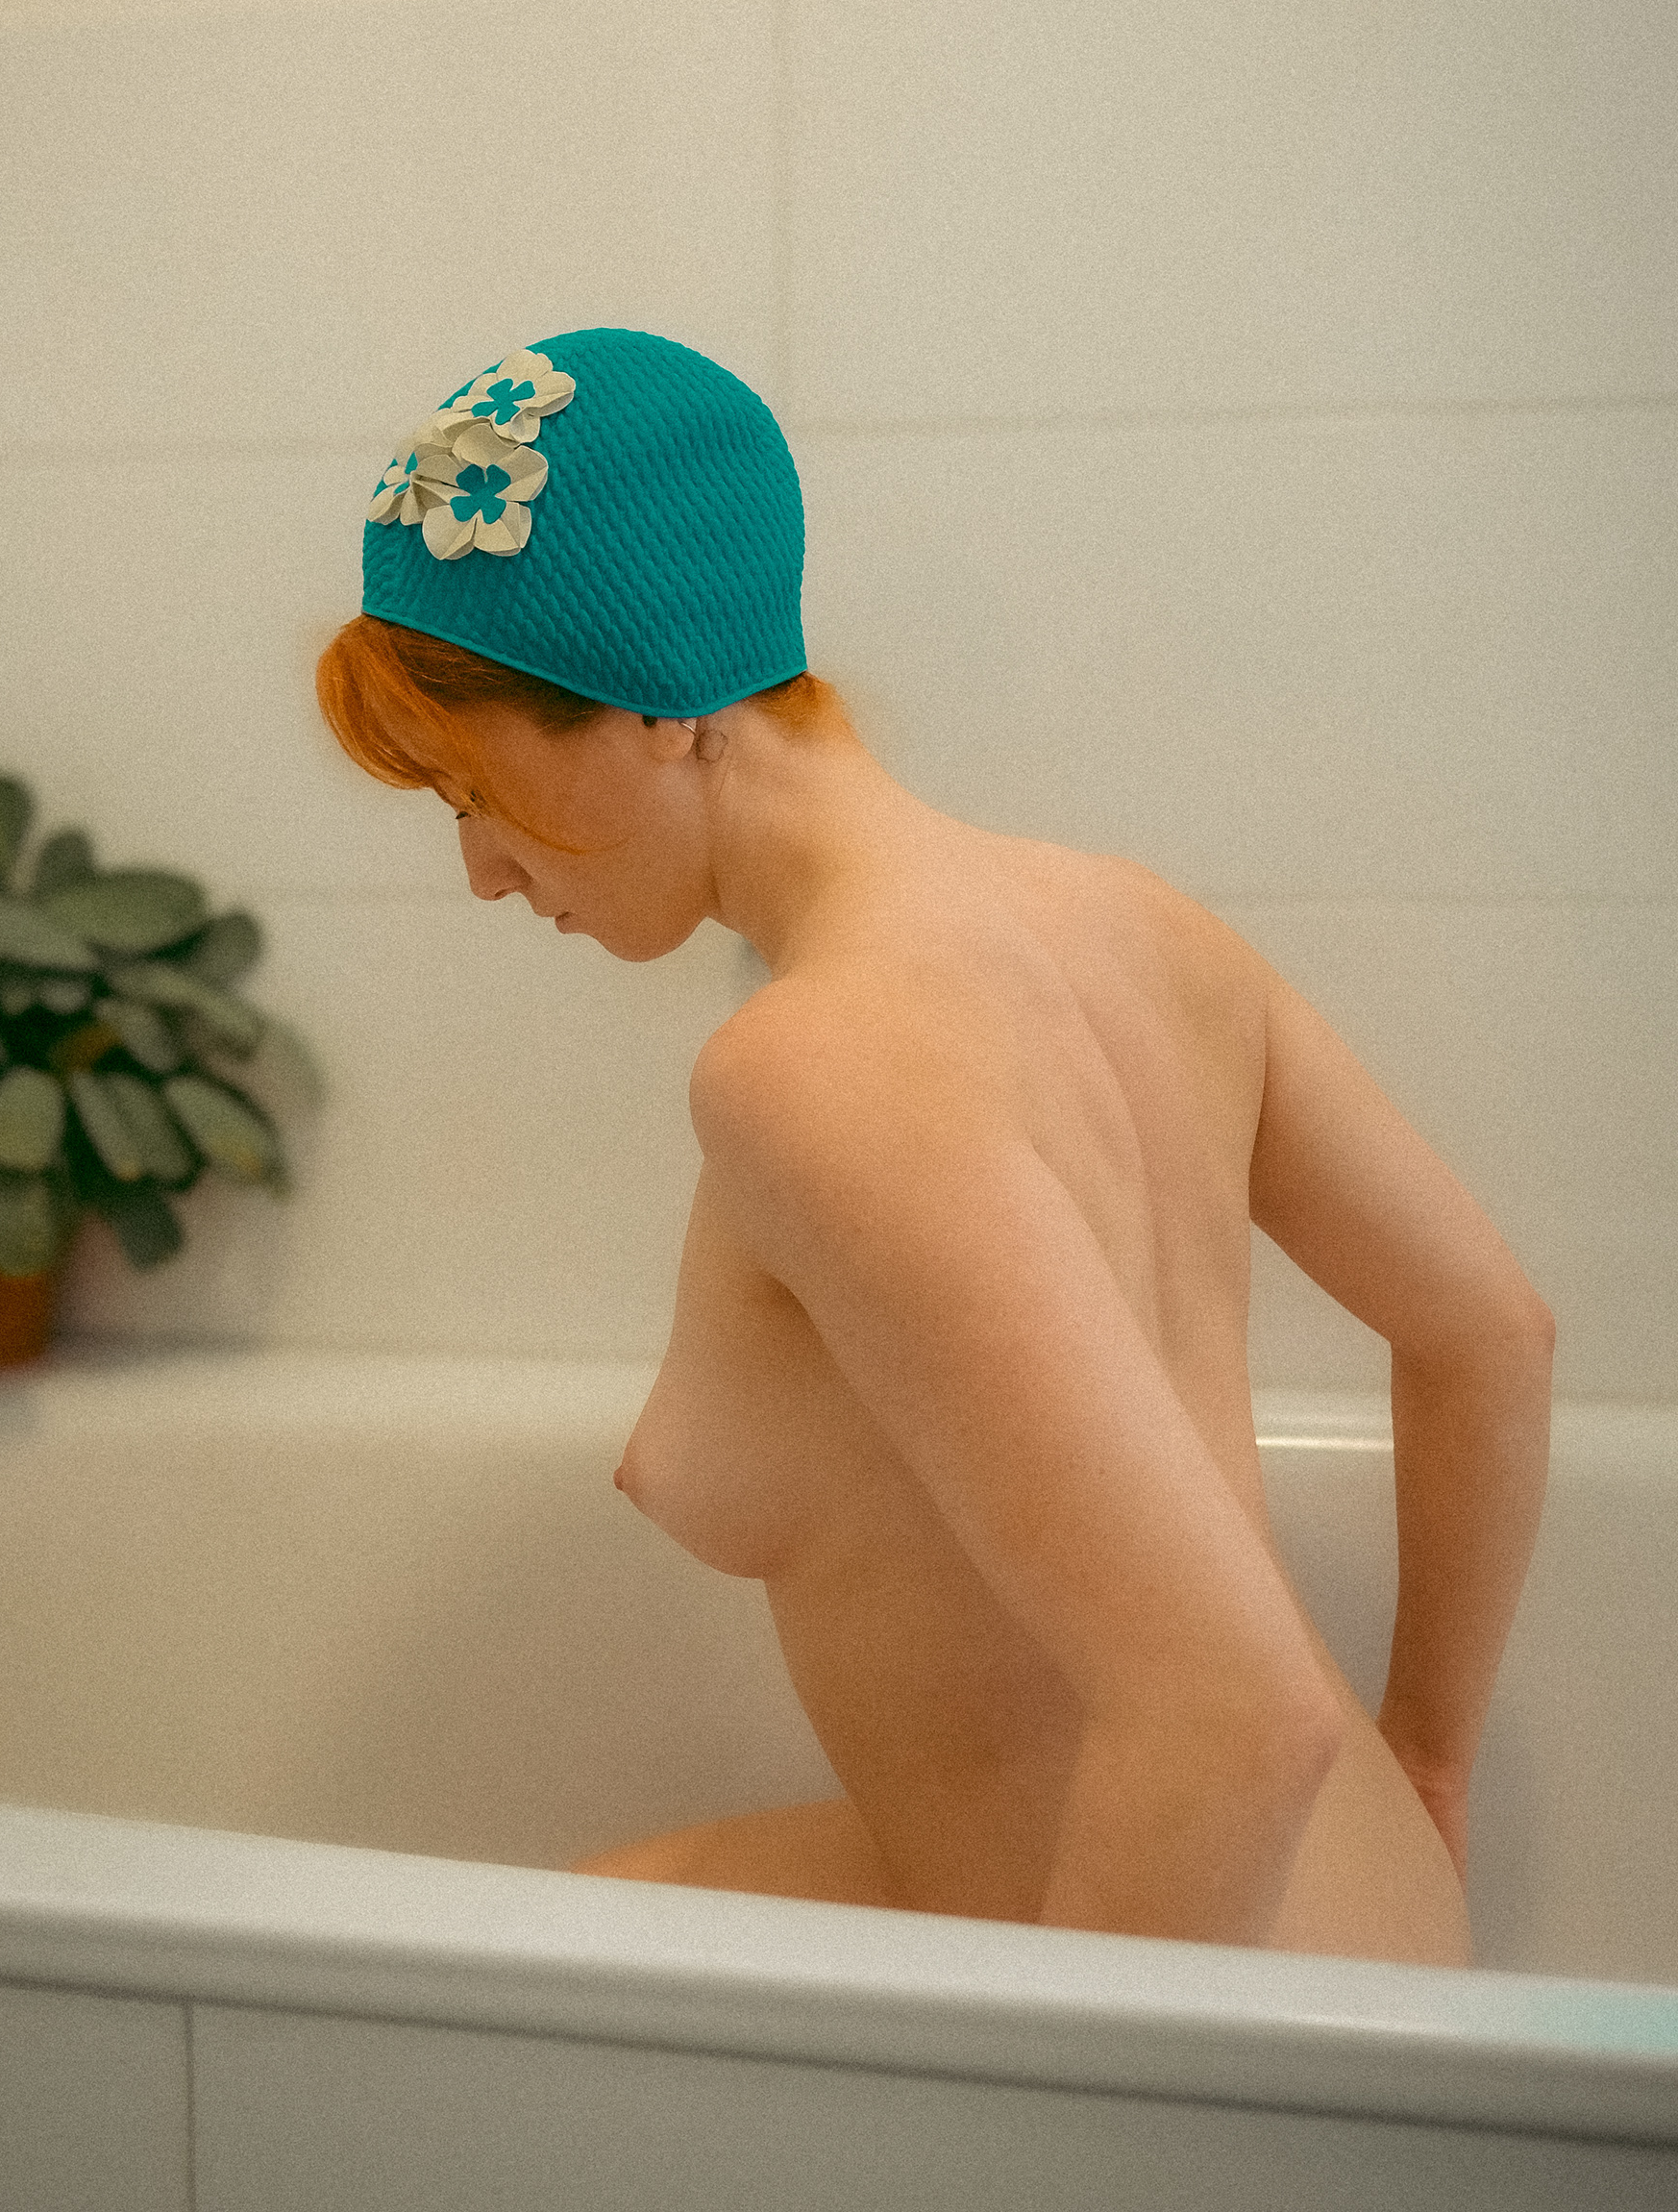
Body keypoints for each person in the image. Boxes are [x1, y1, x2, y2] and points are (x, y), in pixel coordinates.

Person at [316, 326, 1555, 1964]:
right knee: (535, 1949)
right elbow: (1488, 1334)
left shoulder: (812, 1067)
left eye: (473, 788)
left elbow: (1234, 1719)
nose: (481, 870)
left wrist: (1039, 2101)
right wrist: (1434, 1767)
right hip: (1366, 1923)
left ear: (658, 707)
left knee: (465, 2019)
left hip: (1205, 1998)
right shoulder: (1144, 928)